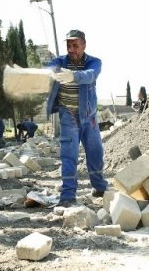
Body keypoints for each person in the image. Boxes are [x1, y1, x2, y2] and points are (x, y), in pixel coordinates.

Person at [47, 29, 108, 207]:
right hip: (68, 115)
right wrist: (47, 72)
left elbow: (91, 75)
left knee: (95, 152)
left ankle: (99, 187)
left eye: (75, 45)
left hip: (89, 117)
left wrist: (73, 76)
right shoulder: (60, 62)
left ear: (84, 45)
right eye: (68, 46)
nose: (71, 49)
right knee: (69, 155)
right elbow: (48, 68)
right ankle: (67, 195)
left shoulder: (94, 62)